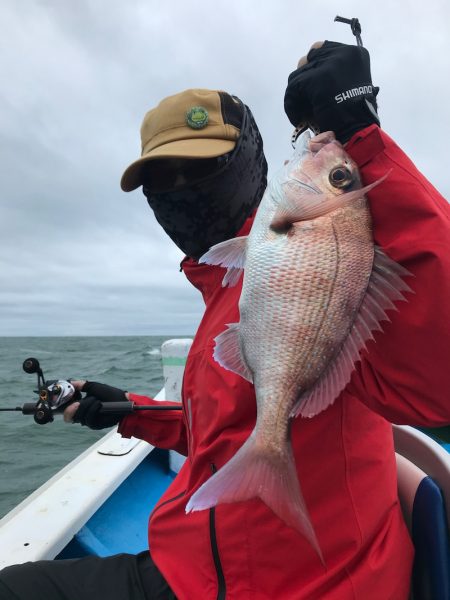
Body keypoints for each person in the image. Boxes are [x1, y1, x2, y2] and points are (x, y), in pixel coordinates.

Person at [1, 43, 450, 599]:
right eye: (163, 180)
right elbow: (223, 436)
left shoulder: (330, 266)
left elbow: (438, 384)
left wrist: (362, 137)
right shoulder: (223, 291)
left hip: (317, 585)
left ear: (252, 160)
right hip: (191, 572)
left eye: (204, 168)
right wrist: (127, 410)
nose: (183, 190)